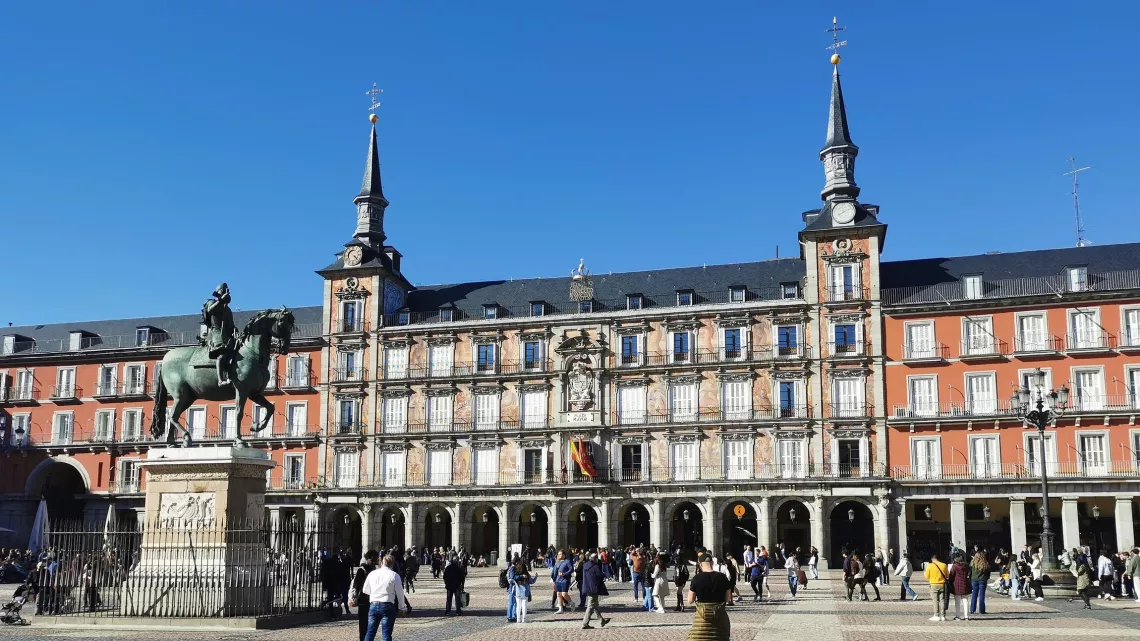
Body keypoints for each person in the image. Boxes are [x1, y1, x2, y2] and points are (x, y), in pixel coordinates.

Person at [362, 555, 409, 641]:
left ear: (382, 562)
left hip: (374, 604)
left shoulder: (372, 574)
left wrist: (374, 594)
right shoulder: (394, 575)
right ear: (392, 564)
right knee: (386, 634)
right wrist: (402, 607)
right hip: (387, 604)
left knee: (370, 633)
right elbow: (400, 593)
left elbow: (365, 590)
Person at [686, 556, 732, 641]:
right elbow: (728, 599)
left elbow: (690, 600)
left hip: (701, 620)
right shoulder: (723, 577)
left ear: (700, 564)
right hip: (720, 618)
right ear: (712, 563)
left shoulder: (696, 578)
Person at [349, 550, 380, 641]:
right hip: (365, 600)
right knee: (365, 625)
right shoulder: (363, 570)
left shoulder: (373, 570)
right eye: (373, 559)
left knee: (369, 625)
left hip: (370, 600)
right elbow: (356, 585)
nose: (374, 562)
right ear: (369, 559)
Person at [581, 552, 610, 629]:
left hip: (587, 586)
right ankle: (585, 623)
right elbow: (600, 575)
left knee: (595, 604)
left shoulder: (585, 565)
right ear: (596, 559)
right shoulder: (595, 566)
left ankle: (601, 620)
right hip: (593, 588)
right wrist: (604, 574)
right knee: (590, 606)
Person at [924, 552, 949, 622]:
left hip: (933, 584)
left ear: (933, 559)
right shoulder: (944, 565)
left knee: (935, 601)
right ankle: (943, 616)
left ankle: (936, 615)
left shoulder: (930, 566)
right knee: (942, 600)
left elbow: (926, 576)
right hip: (942, 584)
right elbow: (947, 575)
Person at [947, 554, 971, 621]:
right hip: (965, 584)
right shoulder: (966, 566)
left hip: (957, 585)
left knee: (957, 602)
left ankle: (958, 616)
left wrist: (951, 582)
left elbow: (951, 575)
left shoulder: (954, 566)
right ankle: (966, 616)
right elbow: (969, 573)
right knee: (965, 601)